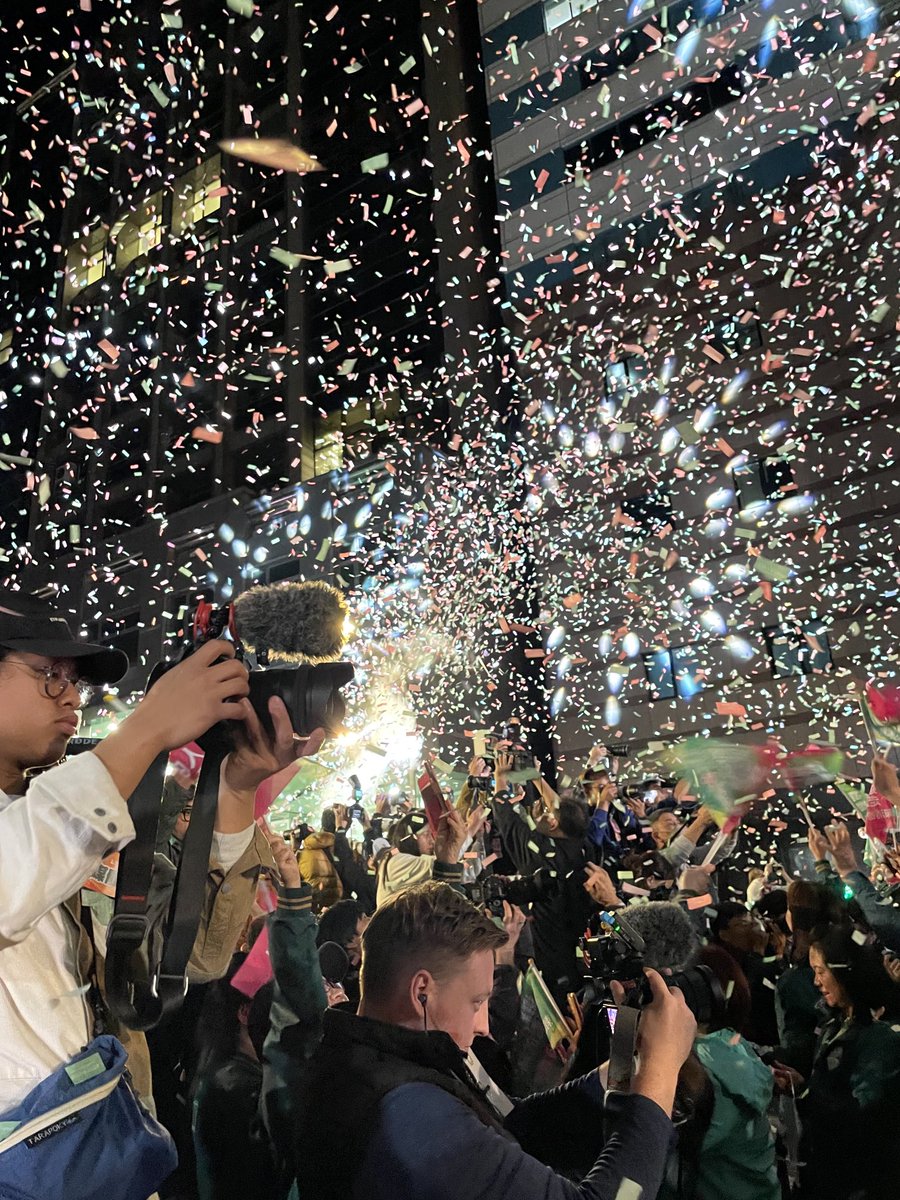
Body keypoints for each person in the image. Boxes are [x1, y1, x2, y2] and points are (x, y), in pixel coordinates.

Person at [0, 592, 324, 1173]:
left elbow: (193, 958)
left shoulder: (74, 814)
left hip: (102, 1150)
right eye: (50, 675)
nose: (73, 697)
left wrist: (237, 787)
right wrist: (147, 729)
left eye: (76, 680)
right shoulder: (60, 818)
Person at [294, 881, 697, 1200]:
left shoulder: (370, 1055)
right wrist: (659, 1076)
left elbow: (509, 1124)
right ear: (422, 993)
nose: (480, 1027)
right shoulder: (405, 1113)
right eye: (476, 1002)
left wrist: (625, 1063)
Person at [785, 923, 900, 1200]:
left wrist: (805, 1092)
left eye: (821, 972)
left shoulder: (881, 1036)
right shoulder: (836, 1022)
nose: (815, 982)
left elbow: (862, 1116)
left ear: (845, 971)